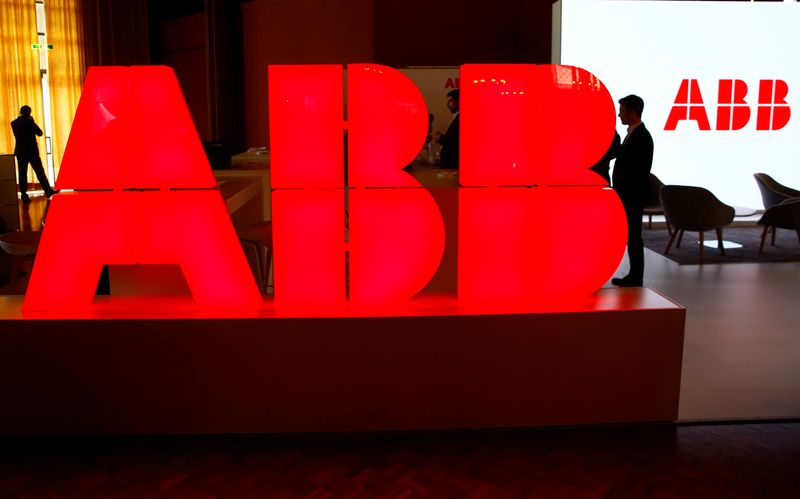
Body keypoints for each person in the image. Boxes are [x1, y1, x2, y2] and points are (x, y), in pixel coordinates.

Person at [611, 95, 653, 288]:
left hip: (632, 196)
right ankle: (634, 275)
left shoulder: (642, 137)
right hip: (627, 195)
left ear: (633, 112)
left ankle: (636, 276)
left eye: (622, 110)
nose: (619, 114)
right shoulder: (634, 134)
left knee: (634, 236)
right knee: (632, 236)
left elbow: (638, 171)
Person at [11, 105, 57, 202]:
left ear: (20, 111)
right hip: (31, 151)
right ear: (29, 113)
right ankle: (48, 190)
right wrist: (32, 121)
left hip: (20, 151)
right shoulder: (29, 122)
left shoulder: (14, 123)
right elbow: (40, 133)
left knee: (22, 173)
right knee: (40, 171)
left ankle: (24, 195)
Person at [435, 89, 460, 168]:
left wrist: (440, 137)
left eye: (450, 101)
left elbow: (453, 142)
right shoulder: (457, 118)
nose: (447, 104)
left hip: (453, 168)